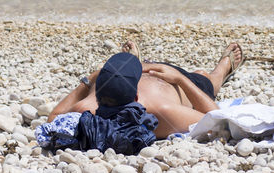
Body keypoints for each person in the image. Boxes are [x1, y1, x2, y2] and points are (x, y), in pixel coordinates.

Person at [48, 40, 244, 139]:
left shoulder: (86, 107)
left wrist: (89, 79)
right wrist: (181, 80)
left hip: (131, 75)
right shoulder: (161, 112)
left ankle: (131, 62)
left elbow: (53, 118)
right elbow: (218, 118)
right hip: (172, 79)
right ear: (135, 96)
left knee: (119, 72)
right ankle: (223, 68)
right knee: (204, 76)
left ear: (97, 95)